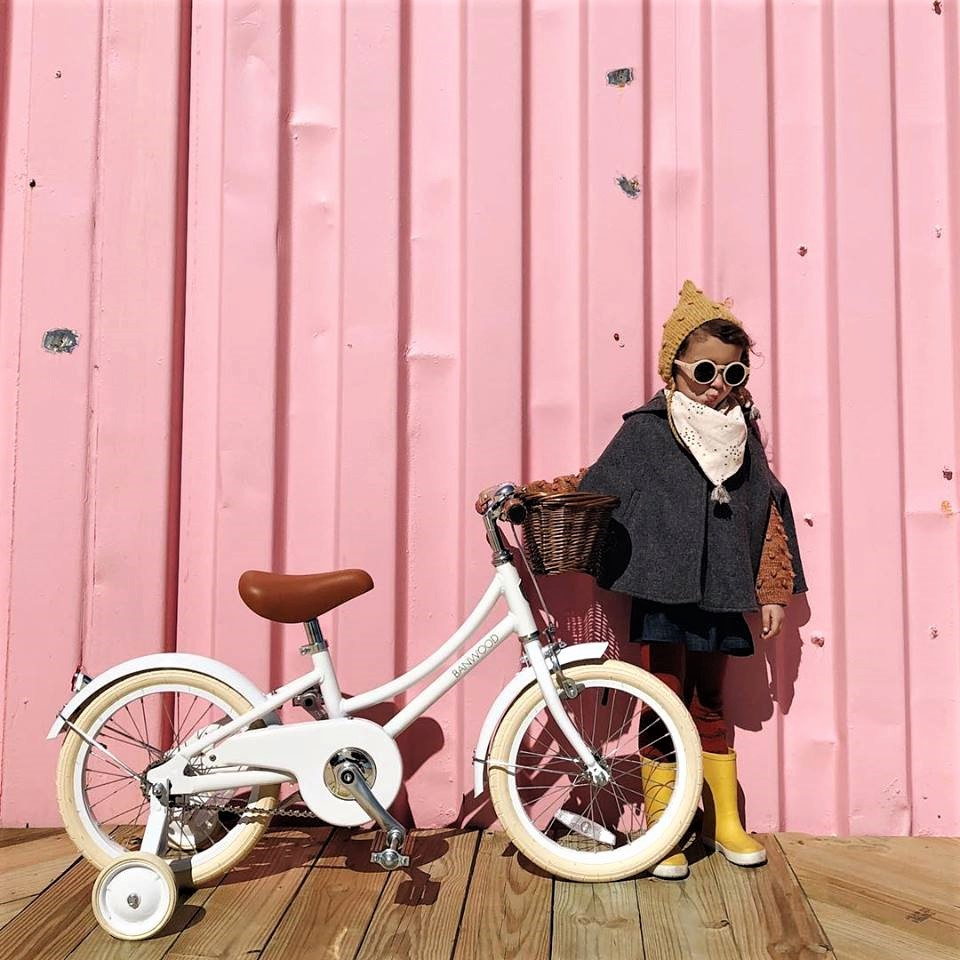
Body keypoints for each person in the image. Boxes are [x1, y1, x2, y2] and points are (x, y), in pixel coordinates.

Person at [579, 280, 807, 880]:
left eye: (733, 374)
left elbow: (768, 510)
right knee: (664, 700)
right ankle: (667, 826)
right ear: (674, 367)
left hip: (724, 592)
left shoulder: (743, 433)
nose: (717, 386)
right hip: (665, 592)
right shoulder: (649, 429)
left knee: (711, 701)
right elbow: (598, 485)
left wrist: (773, 590)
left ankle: (722, 821)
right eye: (705, 370)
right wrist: (539, 500)